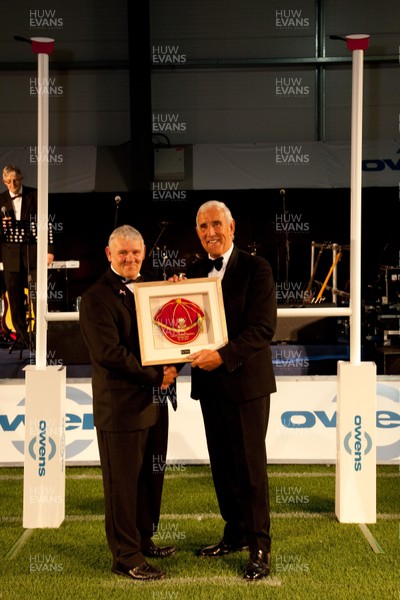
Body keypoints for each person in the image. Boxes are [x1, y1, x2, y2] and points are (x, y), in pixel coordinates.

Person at [79, 224, 178, 581]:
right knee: (122, 485)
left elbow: (169, 333)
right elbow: (109, 354)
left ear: (143, 253)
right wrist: (157, 376)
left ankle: (142, 539)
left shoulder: (152, 287)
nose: (130, 258)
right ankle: (126, 557)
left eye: (136, 252)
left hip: (155, 402)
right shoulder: (94, 297)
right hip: (120, 407)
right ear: (109, 255)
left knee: (150, 478)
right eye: (122, 253)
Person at [185, 200, 277, 581]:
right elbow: (184, 323)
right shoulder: (193, 271)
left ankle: (260, 547)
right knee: (222, 465)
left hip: (246, 384)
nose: (211, 232)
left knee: (250, 469)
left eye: (216, 224)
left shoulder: (257, 268)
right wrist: (177, 299)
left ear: (232, 226)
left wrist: (222, 357)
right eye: (203, 226)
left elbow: (262, 329)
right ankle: (234, 533)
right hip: (210, 386)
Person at [0, 164, 54, 347]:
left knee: (37, 297)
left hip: (33, 254)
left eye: (16, 180)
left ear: (21, 178)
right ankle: (23, 339)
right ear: (4, 182)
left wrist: (49, 250)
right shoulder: (0, 199)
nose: (13, 184)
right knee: (14, 300)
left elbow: (47, 223)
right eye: (9, 181)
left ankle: (39, 339)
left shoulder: (35, 194)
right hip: (10, 257)